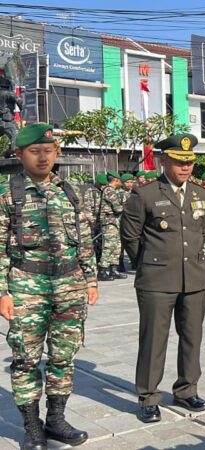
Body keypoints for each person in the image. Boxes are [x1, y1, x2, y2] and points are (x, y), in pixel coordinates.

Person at [0, 124, 98, 449]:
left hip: (70, 286)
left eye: (48, 151)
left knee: (63, 356)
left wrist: (91, 280)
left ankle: (56, 420)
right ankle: (32, 427)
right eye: (34, 151)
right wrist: (2, 293)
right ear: (19, 154)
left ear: (56, 152)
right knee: (26, 358)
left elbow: (84, 241)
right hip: (27, 287)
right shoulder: (7, 194)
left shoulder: (71, 192)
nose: (43, 157)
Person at [120, 133, 205, 424]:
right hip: (157, 281)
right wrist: (150, 264)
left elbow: (203, 231)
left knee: (192, 337)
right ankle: (149, 397)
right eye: (178, 162)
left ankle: (187, 389)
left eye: (189, 162)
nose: (185, 167)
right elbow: (130, 236)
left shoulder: (200, 194)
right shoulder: (145, 194)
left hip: (193, 278)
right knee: (153, 340)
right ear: (163, 161)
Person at [98, 171, 127, 281]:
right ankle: (102, 271)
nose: (120, 182)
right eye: (119, 180)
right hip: (109, 223)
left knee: (116, 246)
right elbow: (117, 208)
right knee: (109, 246)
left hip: (114, 222)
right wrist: (126, 208)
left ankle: (113, 270)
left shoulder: (112, 190)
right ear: (116, 180)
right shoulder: (109, 190)